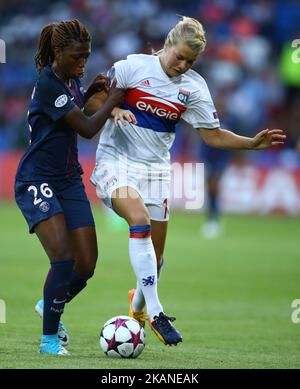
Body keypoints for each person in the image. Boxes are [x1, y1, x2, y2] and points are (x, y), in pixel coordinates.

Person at [90, 16, 286, 346]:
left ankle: (138, 311)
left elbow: (213, 136)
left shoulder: (193, 89)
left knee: (157, 257)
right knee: (138, 222)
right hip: (116, 161)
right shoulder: (133, 67)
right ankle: (156, 312)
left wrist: (250, 143)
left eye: (190, 61)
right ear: (167, 45)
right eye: (179, 56)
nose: (182, 65)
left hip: (155, 171)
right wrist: (113, 111)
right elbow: (94, 99)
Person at [14, 19, 125, 356]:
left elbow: (77, 108)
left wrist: (91, 92)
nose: (83, 63)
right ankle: (49, 341)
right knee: (62, 258)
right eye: (77, 57)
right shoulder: (49, 83)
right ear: (57, 53)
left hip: (69, 180)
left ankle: (47, 302)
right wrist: (113, 98)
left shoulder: (71, 79)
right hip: (37, 180)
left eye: (86, 56)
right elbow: (88, 128)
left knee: (86, 264)